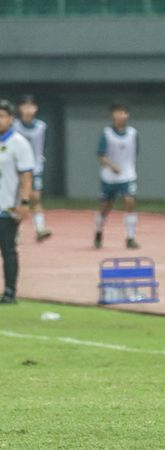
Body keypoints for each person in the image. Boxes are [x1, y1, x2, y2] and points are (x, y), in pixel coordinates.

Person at [0, 100, 35, 305]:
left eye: (2, 116)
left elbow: (26, 175)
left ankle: (10, 290)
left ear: (11, 119)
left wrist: (24, 201)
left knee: (8, 250)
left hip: (7, 207)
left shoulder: (19, 143)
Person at [95, 102, 140, 249]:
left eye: (124, 112)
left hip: (127, 175)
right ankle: (99, 231)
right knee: (105, 206)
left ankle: (130, 237)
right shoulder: (107, 134)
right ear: (112, 115)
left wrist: (127, 167)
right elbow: (101, 155)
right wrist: (111, 165)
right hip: (110, 176)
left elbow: (135, 153)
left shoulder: (133, 133)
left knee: (129, 201)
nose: (121, 116)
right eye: (118, 112)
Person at [13, 95, 51, 242]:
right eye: (25, 106)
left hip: (34, 169)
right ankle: (14, 232)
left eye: (31, 106)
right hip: (17, 169)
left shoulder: (41, 127)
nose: (28, 110)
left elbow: (43, 145)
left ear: (36, 109)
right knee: (18, 201)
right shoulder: (14, 126)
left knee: (36, 198)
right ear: (20, 108)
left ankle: (40, 228)